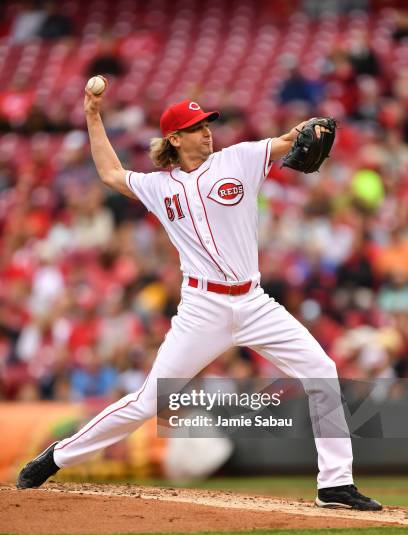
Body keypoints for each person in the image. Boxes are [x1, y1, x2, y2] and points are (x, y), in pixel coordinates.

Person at [17, 77, 382, 511]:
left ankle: (335, 484)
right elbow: (111, 173)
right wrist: (93, 116)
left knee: (322, 370)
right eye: (195, 126)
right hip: (202, 308)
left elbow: (290, 139)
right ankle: (56, 456)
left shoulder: (240, 159)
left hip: (253, 302)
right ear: (174, 137)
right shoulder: (159, 186)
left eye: (207, 123)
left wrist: (315, 125)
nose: (206, 130)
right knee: (148, 401)